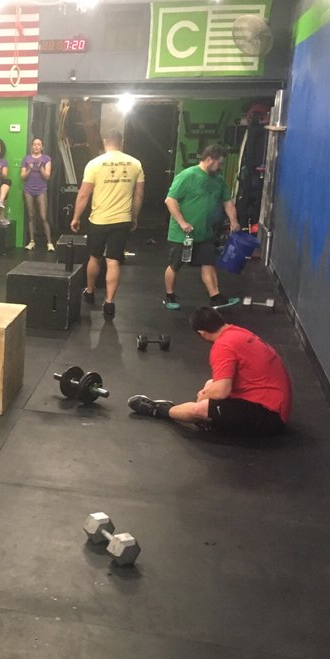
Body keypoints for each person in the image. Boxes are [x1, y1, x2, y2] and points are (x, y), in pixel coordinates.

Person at [128, 306, 291, 436]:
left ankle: (160, 409)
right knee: (210, 383)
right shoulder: (237, 332)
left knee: (199, 409)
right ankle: (215, 420)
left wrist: (204, 397)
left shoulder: (222, 346)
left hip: (269, 416)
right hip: (273, 401)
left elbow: (221, 392)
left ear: (202, 333)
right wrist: (208, 391)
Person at [70, 130, 144, 320]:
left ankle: (90, 291)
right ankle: (110, 302)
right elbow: (138, 195)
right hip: (122, 219)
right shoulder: (135, 164)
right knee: (113, 261)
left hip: (98, 220)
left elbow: (83, 194)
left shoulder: (94, 164)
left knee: (94, 257)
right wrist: (134, 217)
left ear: (104, 142)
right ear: (122, 142)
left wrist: (76, 217)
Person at [162, 144, 240, 311]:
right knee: (175, 265)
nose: (221, 167)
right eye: (219, 163)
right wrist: (182, 222)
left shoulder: (218, 180)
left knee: (208, 263)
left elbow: (227, 202)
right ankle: (169, 296)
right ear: (209, 160)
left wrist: (233, 221)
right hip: (183, 233)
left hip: (205, 232)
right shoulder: (188, 176)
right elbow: (170, 200)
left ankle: (216, 297)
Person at [20, 137, 53, 251]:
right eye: (34, 144)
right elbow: (22, 177)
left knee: (43, 217)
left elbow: (47, 176)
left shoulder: (46, 158)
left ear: (42, 147)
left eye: (39, 144)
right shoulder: (26, 159)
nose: (36, 146)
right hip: (28, 189)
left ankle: (49, 243)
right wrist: (29, 169)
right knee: (31, 215)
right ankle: (32, 241)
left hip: (41, 190)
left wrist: (41, 168)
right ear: (31, 146)